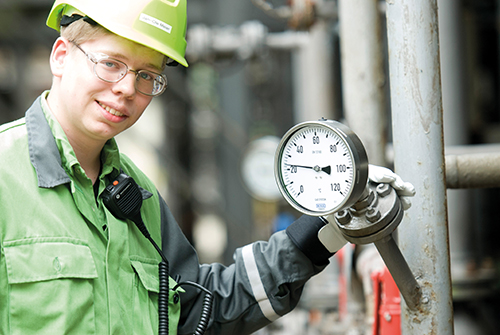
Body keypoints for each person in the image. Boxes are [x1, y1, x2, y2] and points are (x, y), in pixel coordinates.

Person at [0, 1, 415, 334]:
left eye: (147, 75)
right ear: (60, 55)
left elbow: (197, 311)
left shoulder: (135, 194)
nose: (127, 88)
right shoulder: (5, 175)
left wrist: (329, 222)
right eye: (110, 63)